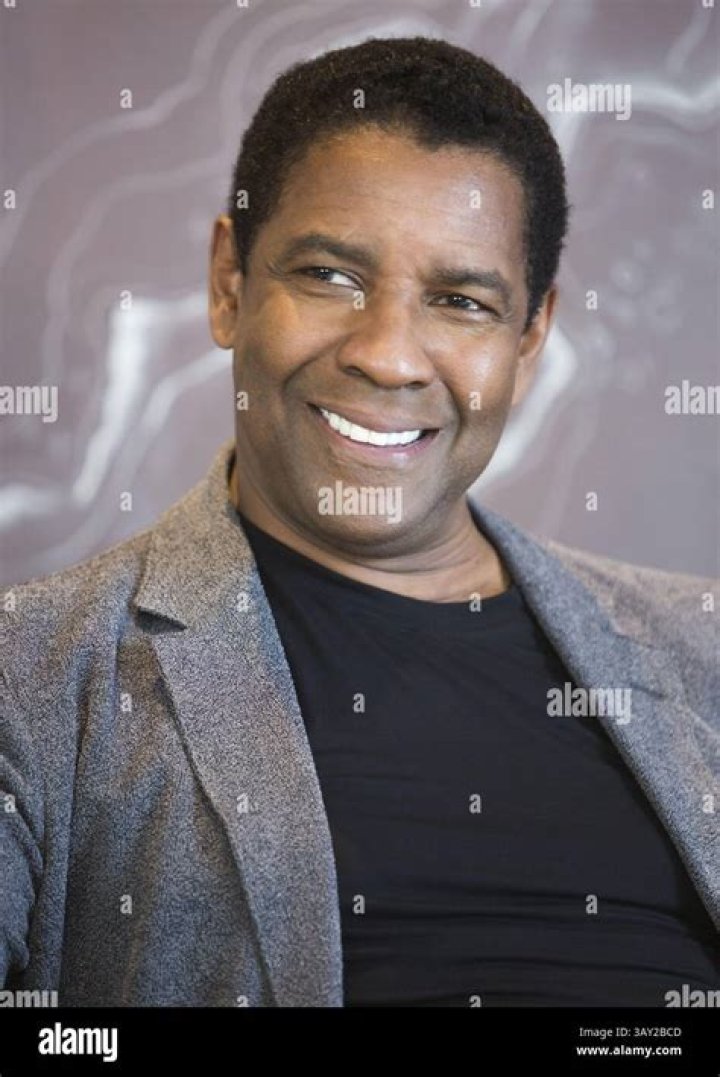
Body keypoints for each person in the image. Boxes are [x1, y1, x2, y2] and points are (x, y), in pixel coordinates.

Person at [1, 36, 717, 1008]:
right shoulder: (34, 675)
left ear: (529, 339)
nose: (387, 355)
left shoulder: (700, 651)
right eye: (331, 276)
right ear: (229, 283)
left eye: (460, 301)